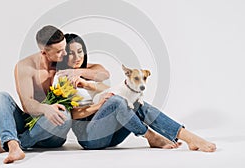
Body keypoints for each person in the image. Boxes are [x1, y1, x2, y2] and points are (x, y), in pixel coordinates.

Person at [56, 33, 216, 152]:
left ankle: (188, 137)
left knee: (134, 101)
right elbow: (70, 115)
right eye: (71, 53)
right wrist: (98, 106)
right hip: (89, 138)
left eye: (80, 51)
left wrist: (86, 83)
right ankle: (151, 136)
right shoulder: (60, 78)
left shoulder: (86, 71)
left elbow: (107, 87)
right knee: (119, 101)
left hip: (111, 135)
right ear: (64, 55)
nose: (77, 57)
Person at [0, 26, 110, 164]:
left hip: (54, 134)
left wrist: (78, 72)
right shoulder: (25, 67)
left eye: (64, 48)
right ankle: (13, 145)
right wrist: (45, 109)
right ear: (44, 52)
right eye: (59, 51)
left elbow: (103, 74)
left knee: (64, 114)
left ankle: (14, 143)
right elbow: (27, 104)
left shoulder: (65, 62)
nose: (65, 53)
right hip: (30, 122)